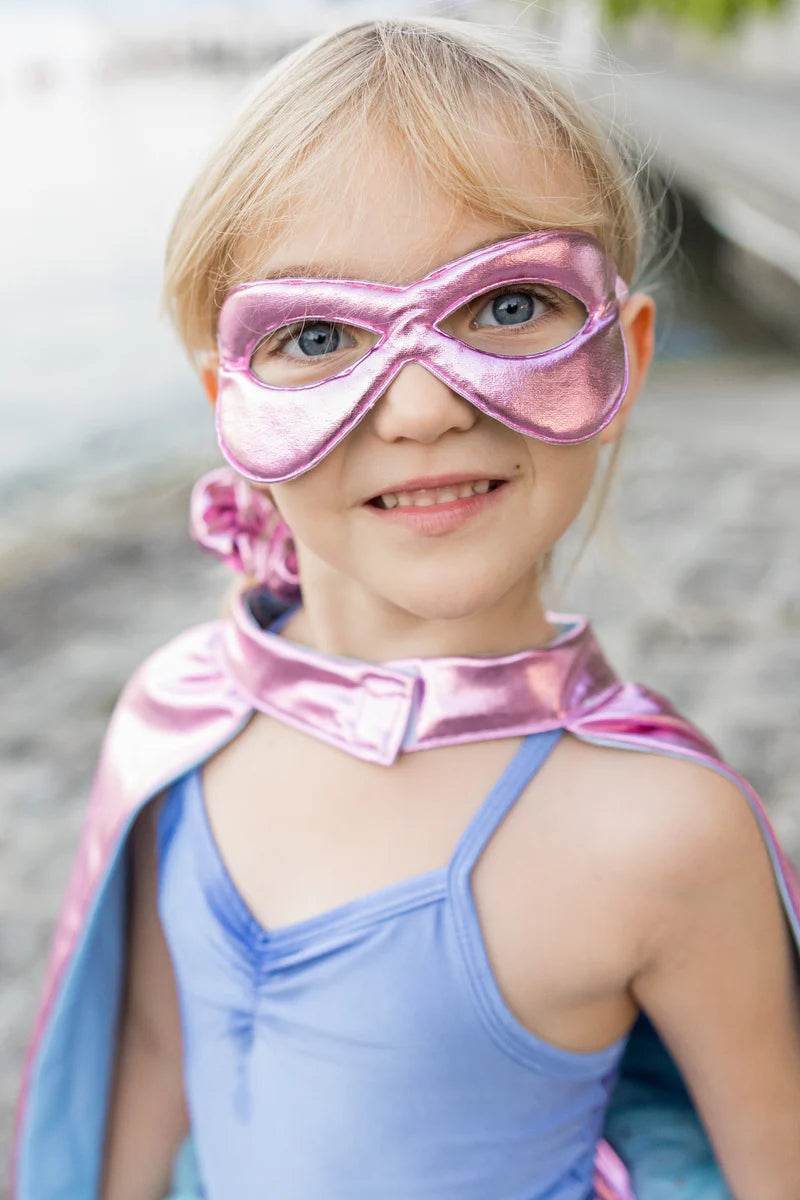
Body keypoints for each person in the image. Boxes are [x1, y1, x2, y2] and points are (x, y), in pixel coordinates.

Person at [12, 16, 800, 1200]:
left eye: (506, 308)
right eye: (318, 336)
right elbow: (155, 1053)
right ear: (226, 397)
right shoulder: (175, 725)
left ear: (623, 356)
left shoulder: (667, 836)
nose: (424, 407)